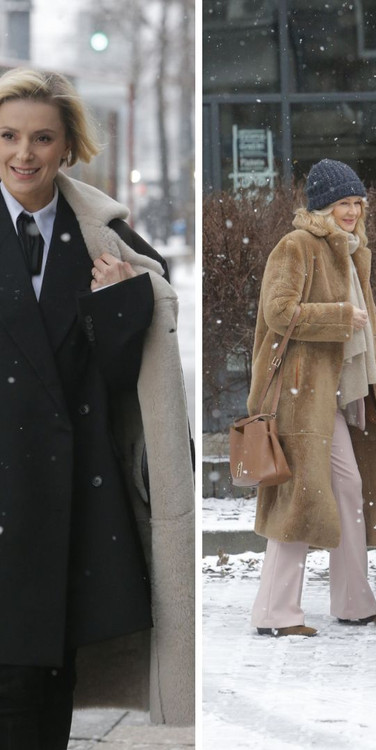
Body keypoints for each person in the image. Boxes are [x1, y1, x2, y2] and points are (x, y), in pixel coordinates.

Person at [0, 68, 194, 748]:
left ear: (67, 145)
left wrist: (120, 304)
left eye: (42, 138)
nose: (24, 154)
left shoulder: (107, 243)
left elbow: (119, 384)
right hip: (5, 494)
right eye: (9, 136)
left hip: (73, 501)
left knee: (53, 682)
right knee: (16, 681)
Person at [248, 159, 376, 637]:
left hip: (333, 401)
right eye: (344, 202)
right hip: (299, 400)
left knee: (345, 492)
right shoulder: (296, 246)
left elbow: (374, 327)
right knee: (299, 501)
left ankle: (354, 604)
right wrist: (339, 316)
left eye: (358, 203)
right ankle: (274, 615)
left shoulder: (352, 253)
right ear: (323, 205)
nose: (353, 211)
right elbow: (278, 312)